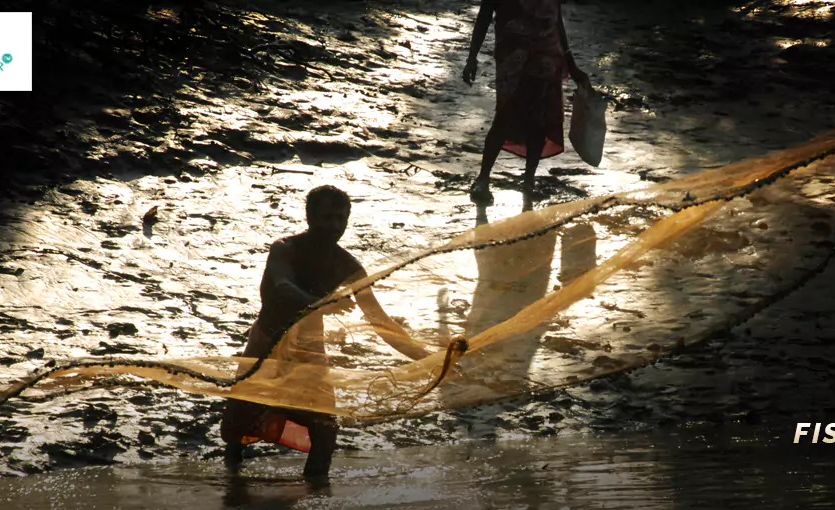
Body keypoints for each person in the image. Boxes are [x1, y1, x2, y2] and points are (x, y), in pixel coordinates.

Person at [221, 185, 431, 480]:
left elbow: (379, 321)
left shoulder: (348, 266)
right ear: (310, 218)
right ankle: (233, 478)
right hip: (267, 343)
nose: (334, 226)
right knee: (240, 423)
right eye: (327, 218)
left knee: (324, 426)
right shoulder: (285, 249)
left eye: (341, 220)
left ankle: (316, 486)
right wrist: (321, 304)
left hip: (309, 350)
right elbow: (282, 287)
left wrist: (428, 357)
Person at [462, 0, 592, 207]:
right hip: (512, 55)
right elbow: (485, 14)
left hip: (548, 54)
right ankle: (483, 178)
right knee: (505, 113)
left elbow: (556, 19)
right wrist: (472, 57)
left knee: (539, 118)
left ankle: (528, 181)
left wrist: (570, 62)